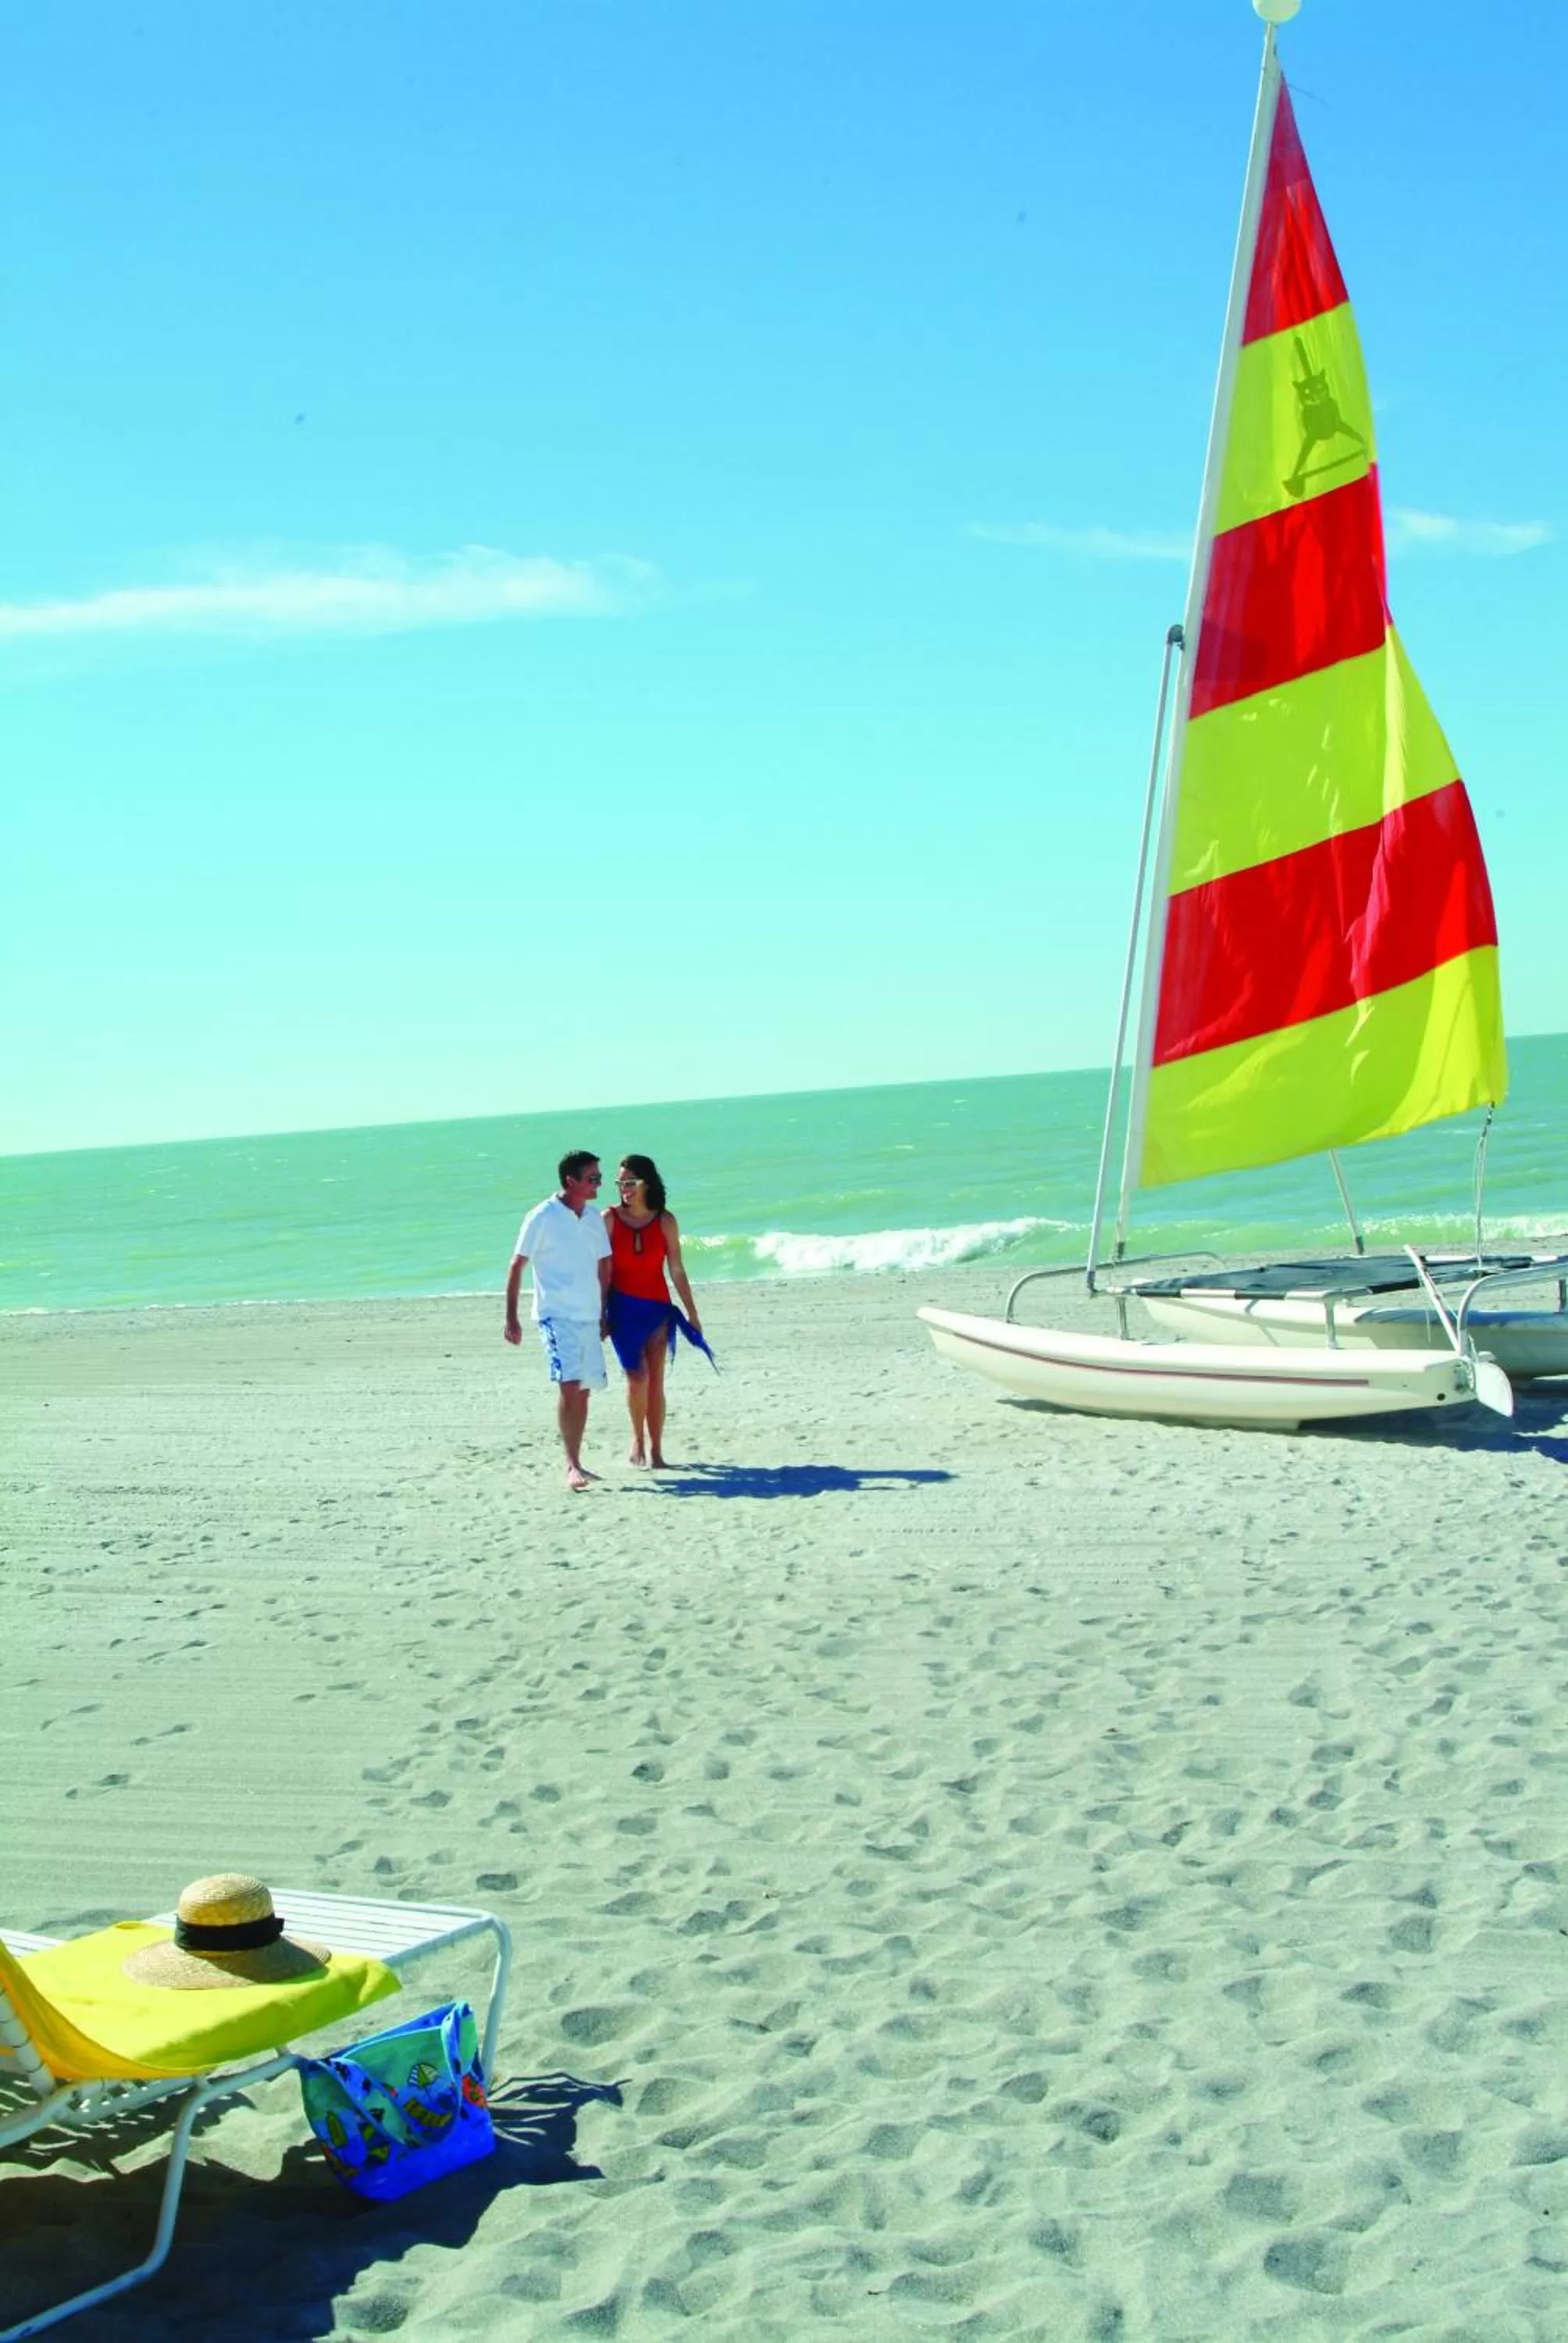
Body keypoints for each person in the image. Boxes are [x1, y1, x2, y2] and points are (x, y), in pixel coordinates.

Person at [504, 1150, 612, 1491]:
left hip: (589, 1315)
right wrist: (512, 1317)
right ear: (571, 1181)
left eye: (599, 1177)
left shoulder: (593, 1217)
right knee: (568, 1384)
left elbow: (605, 1264)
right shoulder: (542, 1216)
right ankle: (571, 1465)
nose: (599, 1183)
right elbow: (517, 1265)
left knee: (583, 1390)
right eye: (592, 1178)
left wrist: (604, 1310)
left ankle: (577, 1460)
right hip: (556, 1315)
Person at [604, 1153, 713, 1468]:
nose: (624, 1189)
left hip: (658, 1309)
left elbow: (676, 1269)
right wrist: (600, 1314)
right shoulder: (608, 1219)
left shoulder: (665, 1221)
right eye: (620, 1183)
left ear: (647, 1183)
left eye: (630, 1182)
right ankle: (636, 1438)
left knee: (656, 1383)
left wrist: (692, 1312)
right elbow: (602, 1271)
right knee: (637, 1378)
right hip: (622, 1310)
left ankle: (656, 1451)